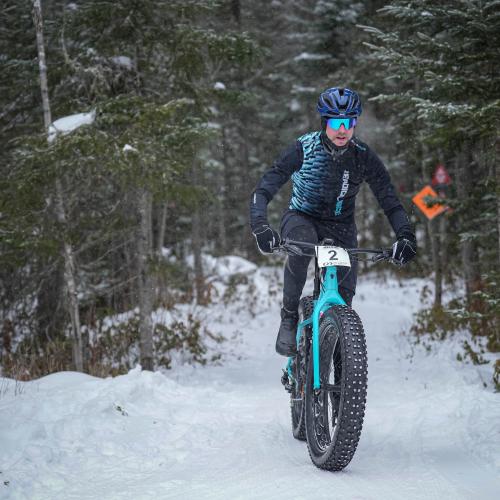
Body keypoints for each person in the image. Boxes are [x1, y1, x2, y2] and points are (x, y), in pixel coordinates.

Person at [249, 87, 416, 356]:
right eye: (336, 122)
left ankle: (341, 365)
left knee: (344, 298)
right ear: (324, 122)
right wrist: (260, 226)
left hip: (341, 226)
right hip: (302, 217)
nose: (342, 130)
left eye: (349, 122)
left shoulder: (362, 155)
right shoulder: (303, 148)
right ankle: (289, 316)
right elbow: (264, 189)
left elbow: (389, 200)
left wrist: (405, 236)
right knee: (302, 247)